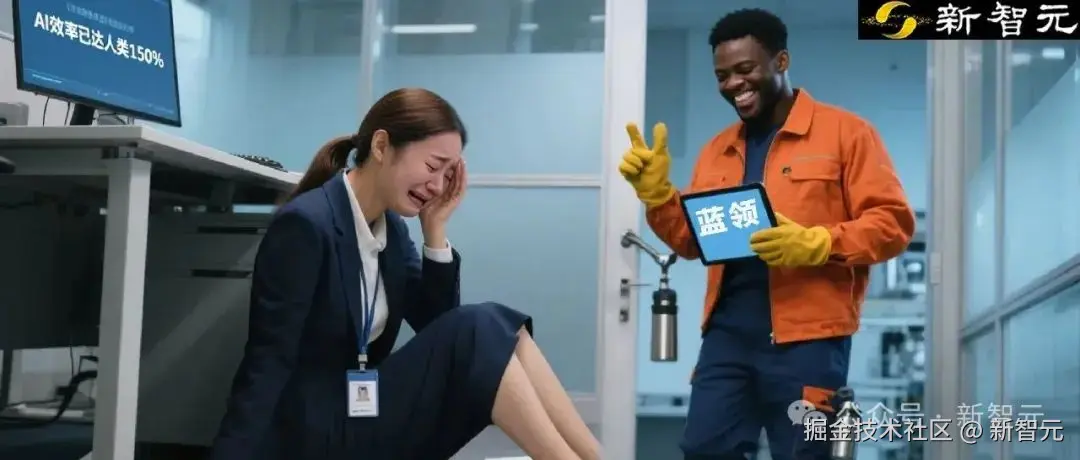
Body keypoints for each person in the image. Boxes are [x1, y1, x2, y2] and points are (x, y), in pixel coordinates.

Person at [209, 88, 600, 460]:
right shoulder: (306, 225)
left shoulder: (392, 230)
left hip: (362, 415)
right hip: (315, 434)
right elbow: (268, 360)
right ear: (381, 146)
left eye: (448, 174)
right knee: (479, 326)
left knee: (500, 326)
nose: (438, 186)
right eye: (433, 166)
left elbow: (439, 325)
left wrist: (435, 231)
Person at [618, 9, 915, 460]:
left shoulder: (846, 134)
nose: (733, 84)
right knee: (705, 450)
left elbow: (893, 224)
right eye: (722, 76)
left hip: (810, 340)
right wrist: (659, 196)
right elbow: (691, 242)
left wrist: (820, 243)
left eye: (745, 69)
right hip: (727, 337)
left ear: (781, 61)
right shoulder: (717, 150)